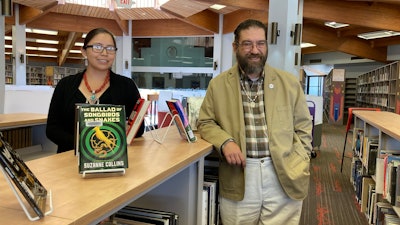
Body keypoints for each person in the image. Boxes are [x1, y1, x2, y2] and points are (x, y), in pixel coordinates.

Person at [197, 19, 313, 225]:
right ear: (235, 47)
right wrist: (225, 142)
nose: (255, 50)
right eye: (247, 44)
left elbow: (303, 127)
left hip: (283, 171)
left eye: (260, 43)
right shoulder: (218, 85)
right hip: (240, 173)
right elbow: (205, 122)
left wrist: (301, 158)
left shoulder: (289, 83)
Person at [46, 28, 144, 153]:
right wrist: (85, 145)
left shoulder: (127, 85)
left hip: (111, 159)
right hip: (69, 159)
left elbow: (139, 128)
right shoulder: (65, 85)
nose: (104, 53)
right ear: (84, 51)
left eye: (110, 48)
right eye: (97, 47)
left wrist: (125, 129)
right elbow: (52, 129)